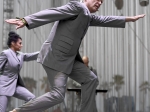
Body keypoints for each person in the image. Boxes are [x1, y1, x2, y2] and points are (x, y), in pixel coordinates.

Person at [5, 0, 145, 111]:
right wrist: (26, 20)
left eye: (102, 2)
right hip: (56, 58)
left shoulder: (87, 16)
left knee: (91, 79)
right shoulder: (77, 7)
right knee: (58, 96)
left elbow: (104, 19)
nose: (100, 3)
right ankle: (18, 111)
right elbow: (53, 12)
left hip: (69, 59)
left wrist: (129, 19)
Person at [0, 31, 39, 112]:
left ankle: (16, 111)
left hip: (15, 86)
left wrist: (45, 50)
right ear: (13, 43)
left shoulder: (20, 55)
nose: (22, 45)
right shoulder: (5, 53)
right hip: (4, 87)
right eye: (20, 43)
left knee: (32, 98)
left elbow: (32, 55)